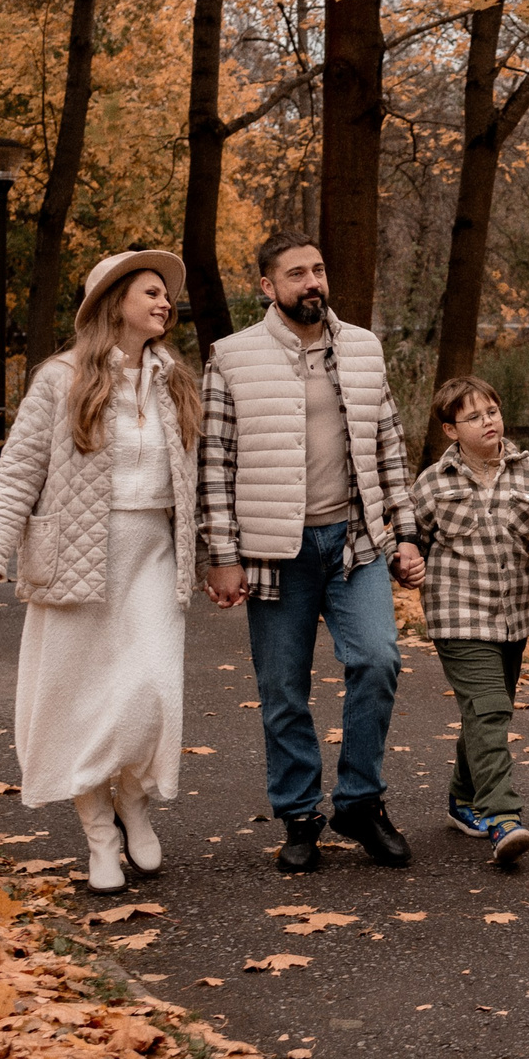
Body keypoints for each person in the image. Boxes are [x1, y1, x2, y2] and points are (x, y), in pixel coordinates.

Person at [0, 250, 201, 893]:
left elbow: (199, 479)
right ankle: (100, 833)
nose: (164, 303)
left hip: (153, 555)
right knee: (79, 701)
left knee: (151, 691)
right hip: (75, 557)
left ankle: (134, 801)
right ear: (112, 301)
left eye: (166, 294)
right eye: (150, 292)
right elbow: (18, 473)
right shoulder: (60, 379)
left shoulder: (175, 379)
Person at [197, 234, 425, 873]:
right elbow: (214, 463)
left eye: (318, 269)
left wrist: (406, 532)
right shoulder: (232, 357)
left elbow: (389, 446)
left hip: (355, 541)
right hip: (275, 552)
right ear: (268, 287)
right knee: (283, 689)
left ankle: (360, 802)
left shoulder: (363, 347)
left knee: (377, 660)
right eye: (296, 273)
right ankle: (299, 816)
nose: (312, 282)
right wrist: (222, 554)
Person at [411, 375, 529, 868]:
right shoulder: (433, 483)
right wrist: (404, 561)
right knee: (489, 710)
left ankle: (462, 798)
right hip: (457, 615)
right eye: (474, 416)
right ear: (451, 429)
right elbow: (408, 539)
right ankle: (503, 817)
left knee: (486, 710)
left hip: (512, 617)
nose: (488, 421)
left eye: (492, 411)